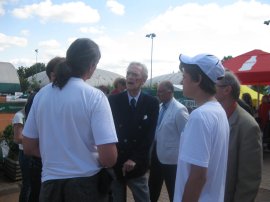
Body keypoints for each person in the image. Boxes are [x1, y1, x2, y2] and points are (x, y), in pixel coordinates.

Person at [22, 38, 118, 202]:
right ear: (92, 65)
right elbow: (109, 158)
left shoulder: (41, 96)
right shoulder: (95, 97)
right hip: (86, 187)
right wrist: (83, 156)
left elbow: (28, 147)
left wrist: (54, 156)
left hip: (49, 186)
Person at [173, 53, 230, 202]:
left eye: (184, 76)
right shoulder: (218, 111)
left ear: (198, 79)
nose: (181, 80)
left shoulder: (200, 116)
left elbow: (198, 176)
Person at [108, 62, 159, 202]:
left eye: (134, 75)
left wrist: (134, 159)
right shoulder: (113, 100)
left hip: (137, 165)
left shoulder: (152, 103)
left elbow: (149, 136)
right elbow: (108, 131)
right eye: (128, 73)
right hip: (117, 164)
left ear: (143, 79)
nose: (129, 77)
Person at [215, 70, 262, 202]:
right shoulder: (216, 117)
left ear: (227, 90)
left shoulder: (248, 127)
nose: (209, 89)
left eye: (214, 85)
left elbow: (249, 182)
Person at [25, 56, 65, 202]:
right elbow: (31, 137)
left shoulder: (70, 97)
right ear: (52, 75)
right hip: (41, 161)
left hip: (60, 164)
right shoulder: (39, 97)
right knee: (36, 195)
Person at [148, 80, 189, 202]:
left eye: (160, 92)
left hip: (172, 160)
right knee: (152, 189)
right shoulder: (160, 107)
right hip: (156, 155)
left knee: (173, 191)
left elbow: (186, 136)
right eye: (157, 91)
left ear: (170, 92)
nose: (158, 94)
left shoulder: (180, 110)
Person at [12, 107, 31, 202]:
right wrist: (34, 140)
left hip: (35, 154)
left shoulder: (33, 113)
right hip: (25, 154)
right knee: (27, 184)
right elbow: (17, 138)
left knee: (34, 184)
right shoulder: (19, 116)